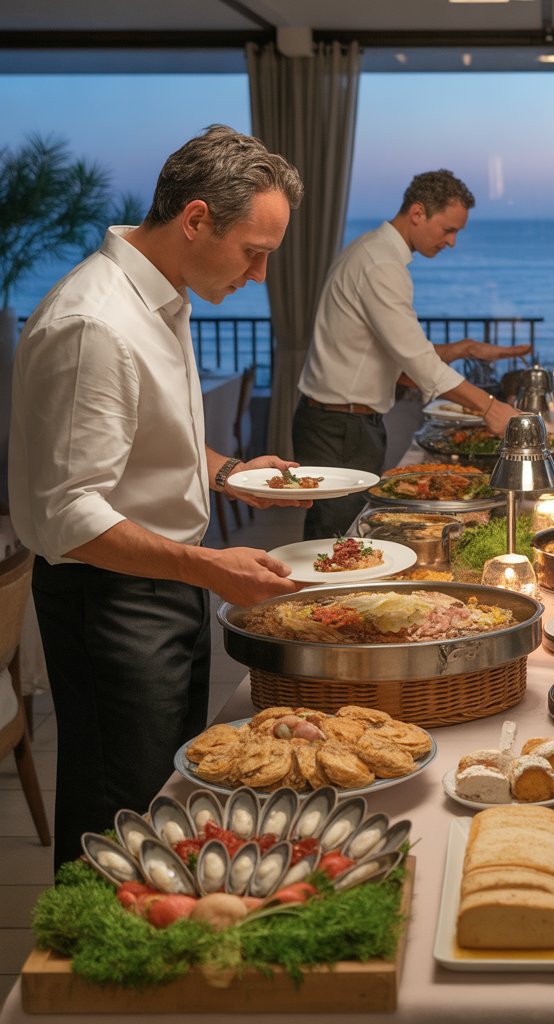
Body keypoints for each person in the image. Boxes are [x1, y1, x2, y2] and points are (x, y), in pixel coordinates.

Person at [8, 125, 310, 870]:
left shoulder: (159, 296)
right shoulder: (94, 323)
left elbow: (147, 442)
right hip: (110, 600)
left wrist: (225, 470)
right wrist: (210, 569)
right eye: (254, 252)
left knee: (163, 801)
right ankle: (88, 970)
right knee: (121, 816)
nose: (261, 276)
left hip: (160, 582)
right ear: (197, 219)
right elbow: (67, 515)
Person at [293, 169, 525, 539]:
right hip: (339, 429)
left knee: (346, 538)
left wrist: (463, 349)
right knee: (338, 543)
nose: (451, 242)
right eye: (448, 230)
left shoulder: (372, 250)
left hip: (342, 424)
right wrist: (489, 407)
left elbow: (397, 356)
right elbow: (417, 360)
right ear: (417, 213)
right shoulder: (381, 263)